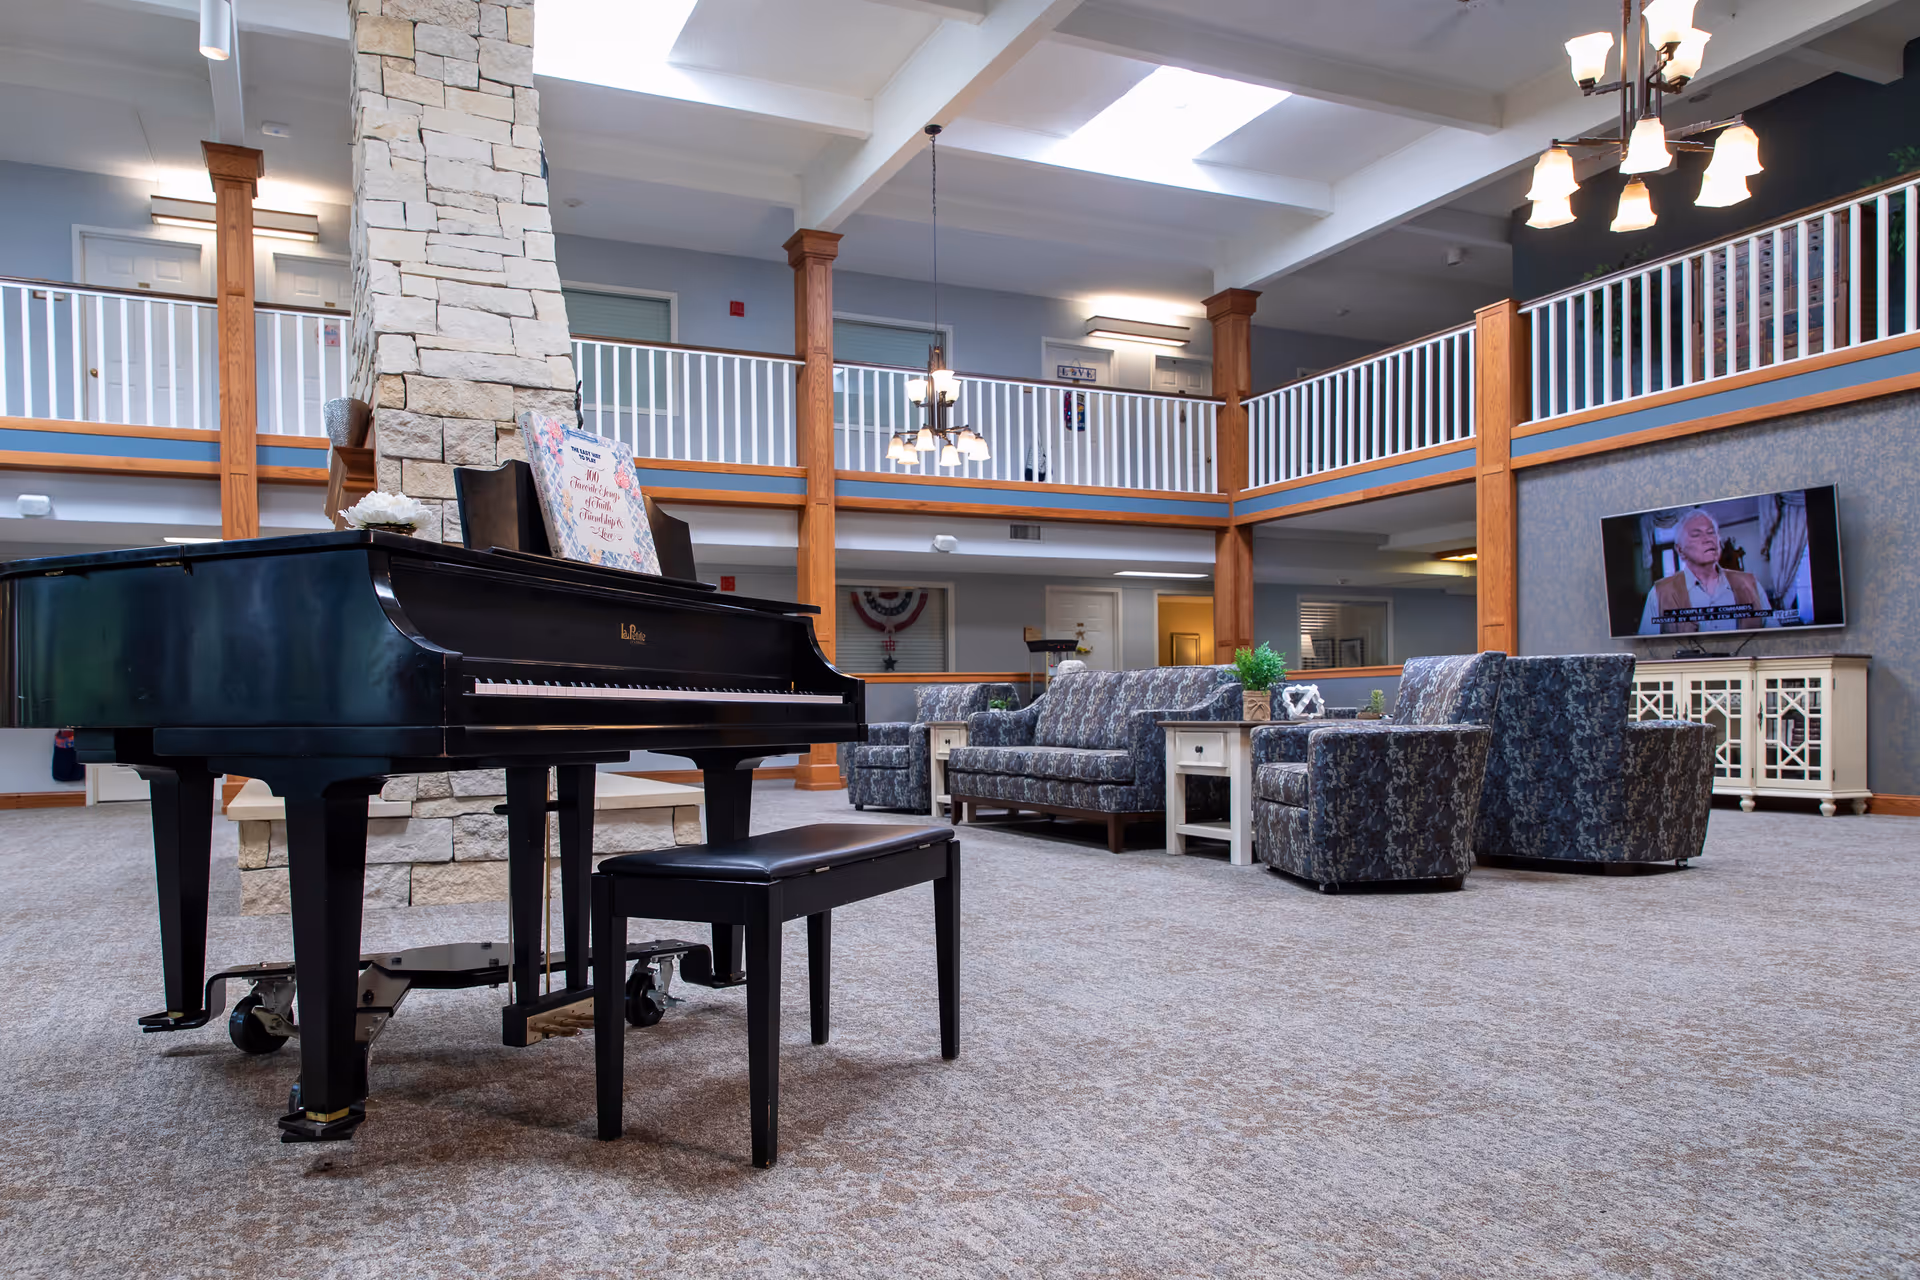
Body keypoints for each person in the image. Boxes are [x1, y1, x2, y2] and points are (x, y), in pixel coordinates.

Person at [1638, 508, 1778, 634]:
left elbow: (1775, 637)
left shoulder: (1750, 584)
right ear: (1680, 550)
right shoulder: (1660, 593)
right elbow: (1647, 649)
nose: (1708, 539)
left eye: (1711, 533)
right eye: (1696, 535)